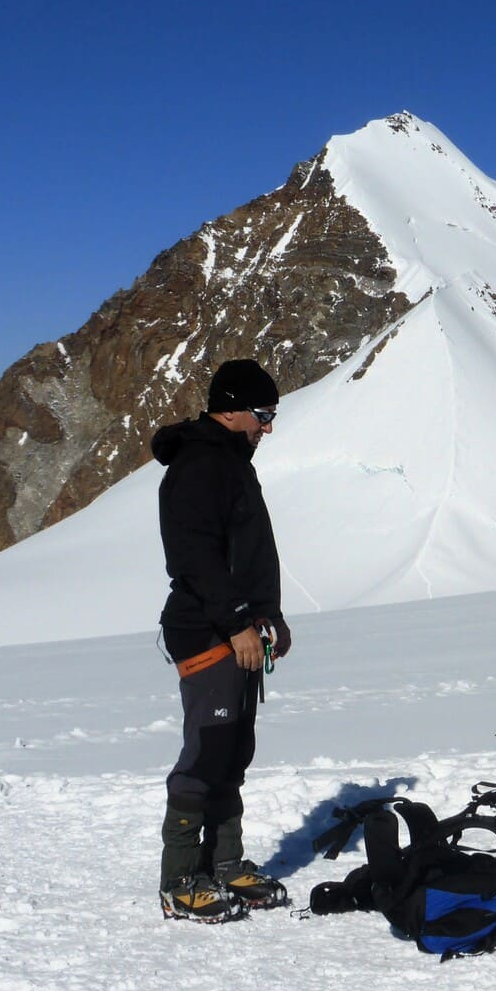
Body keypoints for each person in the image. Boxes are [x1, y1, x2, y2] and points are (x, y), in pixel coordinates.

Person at [151, 358, 293, 923]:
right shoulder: (198, 465)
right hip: (208, 631)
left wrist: (269, 617)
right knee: (207, 752)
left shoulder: (231, 461)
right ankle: (180, 878)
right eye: (263, 414)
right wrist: (236, 623)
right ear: (231, 409)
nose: (268, 426)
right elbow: (194, 557)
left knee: (234, 750)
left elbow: (247, 554)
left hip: (239, 630)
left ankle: (224, 863)